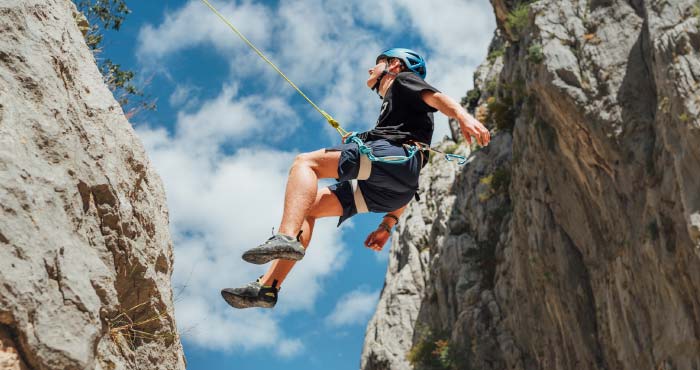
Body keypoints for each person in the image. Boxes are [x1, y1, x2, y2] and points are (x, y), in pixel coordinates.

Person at [221, 48, 491, 309]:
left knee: (306, 163)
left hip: (390, 159)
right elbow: (410, 177)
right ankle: (268, 287)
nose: (371, 68)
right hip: (397, 187)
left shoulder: (404, 80)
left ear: (395, 65)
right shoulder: (399, 115)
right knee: (308, 206)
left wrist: (462, 116)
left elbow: (435, 97)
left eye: (379, 61)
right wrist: (387, 225)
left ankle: (286, 235)